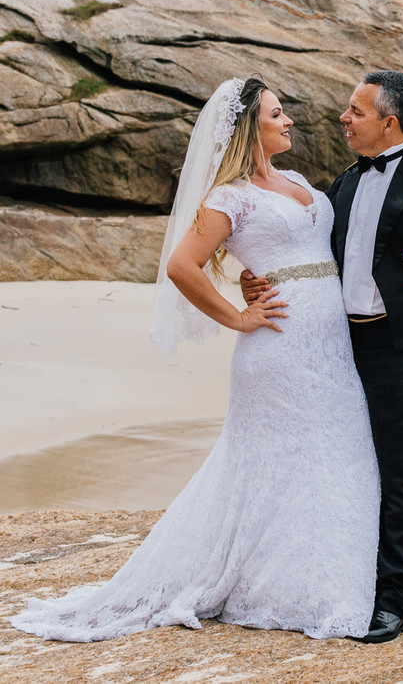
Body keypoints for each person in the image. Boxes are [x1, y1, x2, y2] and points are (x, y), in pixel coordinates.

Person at [11, 76, 381, 642]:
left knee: (338, 449)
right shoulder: (227, 196)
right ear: (248, 128)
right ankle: (298, 590)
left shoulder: (299, 181)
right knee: (279, 460)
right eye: (276, 114)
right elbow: (183, 265)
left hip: (330, 344)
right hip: (277, 347)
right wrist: (237, 315)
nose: (288, 121)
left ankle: (324, 576)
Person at [241, 70, 403, 643]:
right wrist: (254, 281)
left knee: (400, 472)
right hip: (339, 344)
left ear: (387, 121)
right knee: (353, 465)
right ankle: (391, 578)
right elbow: (307, 254)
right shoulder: (343, 183)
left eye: (355, 111)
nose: (343, 118)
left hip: (402, 348)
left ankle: (396, 600)